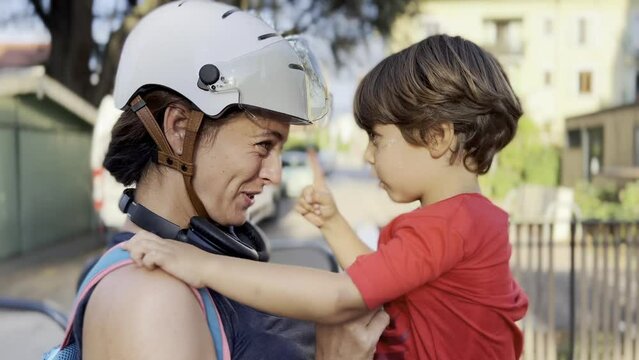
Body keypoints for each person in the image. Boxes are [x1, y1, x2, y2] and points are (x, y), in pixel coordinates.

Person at [124, 33, 530, 359]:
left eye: (377, 139)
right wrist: (333, 224)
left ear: (437, 137)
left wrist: (203, 265)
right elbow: (381, 278)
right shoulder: (466, 221)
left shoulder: (450, 225)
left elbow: (340, 298)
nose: (368, 156)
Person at [61, 1, 390, 360]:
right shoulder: (149, 298)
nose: (275, 175)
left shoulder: (204, 262)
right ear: (179, 128)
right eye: (263, 145)